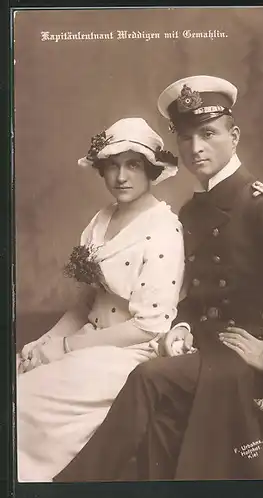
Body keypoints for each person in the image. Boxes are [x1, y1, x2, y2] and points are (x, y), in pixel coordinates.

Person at [54, 76, 263, 482]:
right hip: (202, 348)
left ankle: (70, 485)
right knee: (159, 420)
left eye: (208, 134)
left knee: (147, 379)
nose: (196, 148)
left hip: (249, 356)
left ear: (235, 136)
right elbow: (191, 290)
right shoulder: (192, 212)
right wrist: (185, 324)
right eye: (187, 138)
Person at [16, 117, 185, 482]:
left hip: (129, 354)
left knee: (26, 400)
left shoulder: (163, 229)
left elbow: (146, 327)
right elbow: (85, 301)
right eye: (112, 165)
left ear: (152, 170)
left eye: (133, 164)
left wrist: (66, 347)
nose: (121, 176)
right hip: (88, 342)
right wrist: (45, 342)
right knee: (18, 373)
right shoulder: (101, 220)